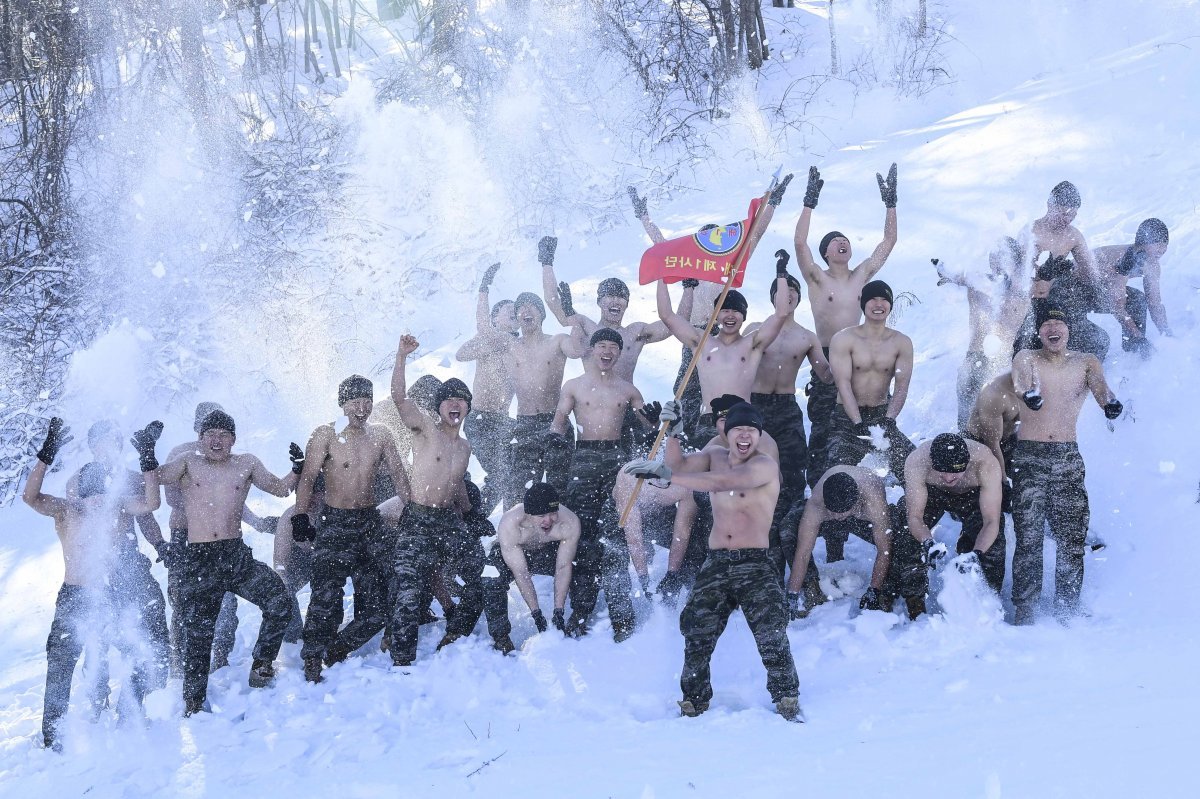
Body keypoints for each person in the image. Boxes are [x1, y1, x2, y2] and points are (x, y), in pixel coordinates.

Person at [625, 402, 803, 722]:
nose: (745, 435)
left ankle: (787, 696)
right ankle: (694, 699)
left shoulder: (764, 465)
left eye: (752, 430)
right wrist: (675, 434)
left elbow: (722, 482)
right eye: (739, 429)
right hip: (717, 560)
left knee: (770, 632)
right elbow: (678, 462)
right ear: (727, 432)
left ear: (759, 436)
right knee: (696, 628)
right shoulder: (714, 456)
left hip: (755, 563)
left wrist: (668, 475)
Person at [24, 418, 163, 750]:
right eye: (90, 494)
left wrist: (146, 458)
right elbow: (30, 497)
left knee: (138, 652)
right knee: (61, 662)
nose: (98, 501)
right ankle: (53, 733)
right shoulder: (66, 512)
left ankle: (129, 712)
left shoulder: (117, 510)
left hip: (112, 595)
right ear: (80, 494)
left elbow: (152, 503)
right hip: (74, 596)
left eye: (103, 493)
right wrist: (46, 454)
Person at [155, 409, 298, 715]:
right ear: (200, 439)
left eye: (224, 435)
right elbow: (156, 478)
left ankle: (262, 664)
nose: (217, 441)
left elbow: (280, 488)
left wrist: (297, 468)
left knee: (279, 601)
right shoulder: (187, 463)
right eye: (210, 435)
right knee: (198, 632)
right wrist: (145, 455)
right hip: (199, 558)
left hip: (234, 556)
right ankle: (193, 703)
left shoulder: (246, 463)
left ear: (233, 439)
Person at [291, 375, 411, 683]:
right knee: (325, 595)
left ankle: (336, 650)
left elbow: (399, 476)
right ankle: (314, 656)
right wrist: (301, 517)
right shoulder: (326, 434)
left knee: (380, 602)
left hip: (369, 523)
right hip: (335, 524)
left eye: (367, 401)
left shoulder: (382, 435)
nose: (362, 408)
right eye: (355, 402)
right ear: (343, 404)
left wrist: (413, 509)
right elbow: (307, 478)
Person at [1009, 304, 1122, 624]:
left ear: (1069, 329)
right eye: (1047, 324)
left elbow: (1101, 388)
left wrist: (1109, 403)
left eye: (1059, 323)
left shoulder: (1085, 362)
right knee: (1028, 536)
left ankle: (1068, 606)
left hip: (1067, 457)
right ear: (1039, 332)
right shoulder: (1027, 357)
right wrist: (1029, 394)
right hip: (1029, 456)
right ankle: (1025, 610)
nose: (1053, 328)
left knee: (1072, 535)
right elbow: (1021, 380)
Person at [793, 164, 899, 489]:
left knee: (876, 416)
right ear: (825, 253)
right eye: (835, 241)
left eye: (846, 240)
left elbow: (889, 241)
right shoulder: (816, 278)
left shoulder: (860, 275)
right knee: (824, 427)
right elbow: (799, 244)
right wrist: (809, 203)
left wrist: (891, 203)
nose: (842, 243)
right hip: (827, 358)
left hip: (858, 357)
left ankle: (883, 473)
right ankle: (819, 490)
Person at [550, 328, 655, 639]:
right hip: (582, 460)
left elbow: (649, 428)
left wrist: (653, 422)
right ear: (592, 351)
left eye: (613, 347)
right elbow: (558, 424)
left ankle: (621, 615)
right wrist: (554, 444)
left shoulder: (628, 390)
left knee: (615, 534)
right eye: (601, 346)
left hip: (615, 463)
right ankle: (580, 609)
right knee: (580, 535)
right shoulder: (573, 386)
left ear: (619, 353)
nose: (607, 351)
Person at [388, 335, 485, 665]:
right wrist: (402, 356)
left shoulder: (465, 448)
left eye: (462, 400)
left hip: (447, 521)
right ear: (439, 406)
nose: (455, 405)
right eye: (449, 400)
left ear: (468, 407)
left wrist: (472, 515)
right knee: (408, 591)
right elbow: (399, 398)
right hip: (416, 519)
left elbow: (456, 486)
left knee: (480, 571)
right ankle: (402, 661)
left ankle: (456, 630)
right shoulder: (426, 429)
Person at [65, 421, 170, 690]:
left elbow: (146, 514)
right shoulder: (77, 482)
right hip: (95, 565)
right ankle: (96, 697)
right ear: (92, 446)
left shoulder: (130, 477)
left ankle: (149, 687)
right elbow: (73, 522)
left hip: (130, 560)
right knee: (98, 630)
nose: (109, 447)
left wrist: (160, 545)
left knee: (152, 613)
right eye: (102, 441)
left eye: (114, 441)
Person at [744, 256, 833, 556]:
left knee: (793, 472)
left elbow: (825, 373)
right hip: (754, 408)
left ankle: (790, 532)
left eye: (795, 290)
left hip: (786, 407)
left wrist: (849, 360)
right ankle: (752, 534)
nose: (790, 294)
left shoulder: (807, 336)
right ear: (774, 298)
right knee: (750, 469)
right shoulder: (757, 328)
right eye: (784, 290)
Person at [160, 402, 253, 674]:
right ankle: (179, 662)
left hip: (223, 540)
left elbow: (233, 501)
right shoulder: (181, 455)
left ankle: (221, 658)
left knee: (226, 597)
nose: (213, 436)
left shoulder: (227, 459)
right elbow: (171, 498)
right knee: (182, 601)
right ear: (197, 429)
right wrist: (201, 505)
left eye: (218, 429)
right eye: (206, 427)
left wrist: (256, 521)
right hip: (184, 537)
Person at [497, 265, 585, 505]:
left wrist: (571, 314)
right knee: (519, 491)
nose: (526, 310)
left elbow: (578, 350)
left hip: (555, 422)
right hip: (524, 423)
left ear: (542, 314)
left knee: (561, 488)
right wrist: (484, 290)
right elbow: (482, 335)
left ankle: (563, 539)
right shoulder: (510, 345)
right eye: (520, 308)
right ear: (517, 318)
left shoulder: (557, 341)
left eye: (532, 306)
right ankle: (514, 540)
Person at [826, 279, 916, 498]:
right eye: (873, 299)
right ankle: (833, 529)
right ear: (864, 304)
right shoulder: (844, 339)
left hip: (881, 416)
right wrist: (857, 422)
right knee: (835, 481)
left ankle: (909, 524)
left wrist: (890, 420)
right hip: (846, 418)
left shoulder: (901, 342)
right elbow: (843, 384)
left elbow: (902, 386)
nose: (878, 304)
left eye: (884, 299)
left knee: (914, 469)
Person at [931, 239, 1030, 430]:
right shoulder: (976, 280)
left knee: (996, 429)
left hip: (1001, 366)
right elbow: (953, 274)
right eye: (994, 255)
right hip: (974, 361)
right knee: (967, 428)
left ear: (1015, 262)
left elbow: (1038, 286)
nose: (997, 261)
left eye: (1004, 256)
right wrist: (942, 267)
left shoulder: (1022, 290)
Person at [785, 466, 904, 617]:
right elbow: (803, 553)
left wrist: (874, 589)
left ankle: (887, 591)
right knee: (787, 529)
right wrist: (792, 594)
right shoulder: (817, 503)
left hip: (861, 516)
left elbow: (884, 550)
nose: (837, 516)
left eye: (841, 514)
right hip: (831, 510)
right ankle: (810, 585)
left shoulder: (873, 501)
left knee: (899, 539)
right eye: (832, 512)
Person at [900, 433, 1006, 599]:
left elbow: (991, 521)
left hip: (973, 495)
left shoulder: (986, 463)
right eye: (942, 472)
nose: (949, 478)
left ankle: (987, 603)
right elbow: (915, 517)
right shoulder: (917, 462)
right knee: (907, 533)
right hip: (933, 493)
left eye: (955, 472)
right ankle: (914, 602)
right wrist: (927, 542)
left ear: (968, 463)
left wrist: (976, 554)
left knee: (992, 545)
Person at [1012, 181, 1108, 359]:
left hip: (1061, 298)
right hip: (1033, 302)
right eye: (1063, 213)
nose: (1067, 220)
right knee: (1030, 345)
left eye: (1072, 215)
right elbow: (1021, 280)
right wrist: (1048, 273)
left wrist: (1074, 270)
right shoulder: (1031, 233)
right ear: (1050, 205)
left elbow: (1091, 275)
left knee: (1100, 341)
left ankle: (1080, 375)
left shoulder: (1074, 235)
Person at [482, 483, 581, 654]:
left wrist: (558, 610)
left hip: (548, 551)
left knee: (584, 562)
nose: (548, 520)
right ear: (528, 514)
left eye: (552, 513)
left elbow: (563, 567)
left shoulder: (568, 522)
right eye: (541, 515)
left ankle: (579, 619)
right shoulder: (510, 524)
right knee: (491, 577)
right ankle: (502, 639)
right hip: (516, 551)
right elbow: (521, 573)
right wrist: (536, 613)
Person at [456, 263, 518, 512]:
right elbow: (460, 355)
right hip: (481, 418)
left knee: (513, 470)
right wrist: (484, 290)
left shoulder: (518, 346)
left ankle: (493, 517)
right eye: (508, 311)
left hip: (504, 420)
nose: (514, 312)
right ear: (495, 319)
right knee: (503, 470)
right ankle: (477, 517)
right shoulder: (489, 341)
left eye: (516, 311)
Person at [1091, 218, 1172, 357]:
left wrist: (1167, 333)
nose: (1162, 250)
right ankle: (1137, 343)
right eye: (1157, 244)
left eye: (1165, 245)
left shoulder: (1152, 264)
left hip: (1103, 288)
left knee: (1138, 299)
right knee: (1135, 299)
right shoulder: (1121, 256)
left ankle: (1133, 351)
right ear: (1142, 244)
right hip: (1075, 287)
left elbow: (1155, 303)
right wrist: (1138, 335)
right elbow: (1117, 304)